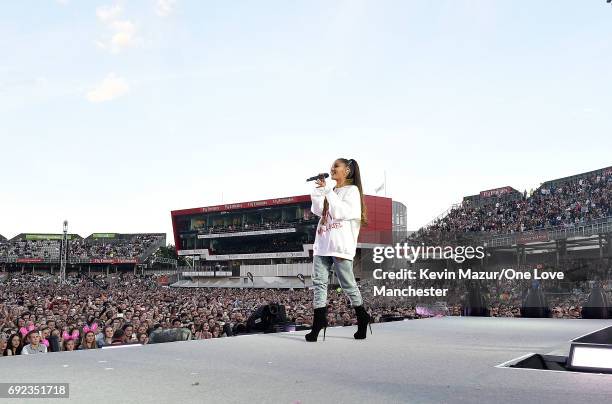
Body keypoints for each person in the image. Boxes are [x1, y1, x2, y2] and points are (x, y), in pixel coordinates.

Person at [305, 158, 372, 342]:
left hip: (340, 245)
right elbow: (319, 211)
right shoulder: (331, 190)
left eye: (336, 166)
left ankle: (362, 316)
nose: (332, 169)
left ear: (347, 170)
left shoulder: (352, 191)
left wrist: (328, 191)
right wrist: (319, 192)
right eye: (332, 166)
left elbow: (341, 212)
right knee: (319, 283)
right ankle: (318, 322)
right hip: (323, 242)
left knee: (348, 284)